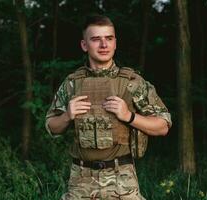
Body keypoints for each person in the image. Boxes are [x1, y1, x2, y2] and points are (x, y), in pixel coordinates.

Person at [45, 14, 172, 200]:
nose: (104, 45)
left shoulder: (132, 82)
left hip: (122, 179)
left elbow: (163, 126)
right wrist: (67, 116)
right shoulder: (72, 84)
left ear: (115, 43)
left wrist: (129, 116)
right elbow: (51, 127)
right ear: (84, 45)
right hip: (81, 180)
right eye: (96, 39)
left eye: (109, 39)